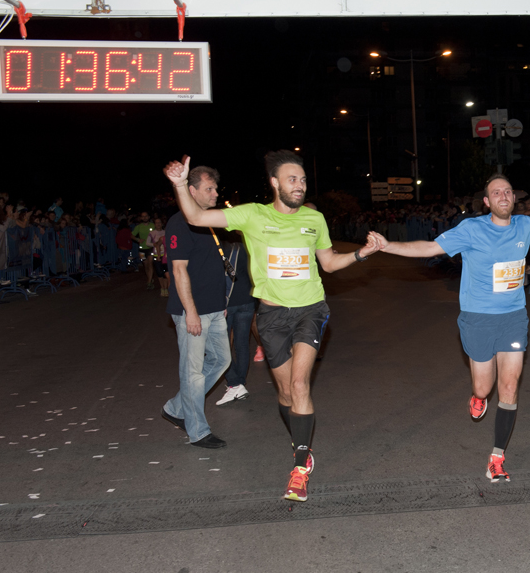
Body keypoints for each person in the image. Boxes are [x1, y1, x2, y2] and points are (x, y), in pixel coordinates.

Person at [163, 150, 383, 502]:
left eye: (303, 180)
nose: (300, 185)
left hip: (310, 310)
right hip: (271, 316)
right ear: (275, 183)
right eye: (292, 179)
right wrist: (178, 185)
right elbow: (195, 215)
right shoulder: (252, 214)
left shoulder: (315, 219)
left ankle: (299, 467)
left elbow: (328, 263)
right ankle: (300, 440)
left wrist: (362, 253)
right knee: (286, 394)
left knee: (299, 383)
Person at [369, 170, 530, 483]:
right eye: (496, 192)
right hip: (478, 318)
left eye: (508, 191)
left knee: (509, 385)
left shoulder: (525, 225)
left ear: (514, 198)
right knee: (483, 387)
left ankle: (497, 457)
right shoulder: (472, 229)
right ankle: (478, 397)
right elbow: (430, 248)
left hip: (513, 316)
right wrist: (387, 246)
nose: (503, 196)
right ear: (487, 202)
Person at [161, 166, 231, 450]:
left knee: (221, 360)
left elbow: (211, 264)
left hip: (215, 308)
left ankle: (176, 407)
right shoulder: (180, 223)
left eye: (216, 188)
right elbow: (178, 270)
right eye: (209, 189)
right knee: (192, 373)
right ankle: (197, 431)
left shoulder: (208, 221)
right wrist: (190, 311)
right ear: (192, 191)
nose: (215, 194)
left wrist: (221, 301)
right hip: (193, 311)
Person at [216, 233, 255, 406]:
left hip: (227, 303)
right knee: (242, 345)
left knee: (220, 346)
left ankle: (234, 382)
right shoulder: (249, 248)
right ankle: (240, 383)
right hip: (247, 300)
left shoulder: (220, 249)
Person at [147, 216, 170, 297]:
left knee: (165, 273)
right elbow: (147, 243)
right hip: (157, 254)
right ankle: (162, 288)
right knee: (159, 272)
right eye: (156, 223)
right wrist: (155, 244)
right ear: (154, 224)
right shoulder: (152, 233)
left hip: (166, 255)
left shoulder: (165, 232)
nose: (158, 224)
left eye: (159, 222)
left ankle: (166, 288)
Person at [132, 212, 156, 289]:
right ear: (141, 218)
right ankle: (150, 278)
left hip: (150, 247)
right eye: (143, 216)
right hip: (142, 249)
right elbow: (131, 235)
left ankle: (149, 282)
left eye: (146, 216)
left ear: (148, 217)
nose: (145, 218)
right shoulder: (138, 227)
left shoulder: (153, 225)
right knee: (145, 264)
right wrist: (138, 239)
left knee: (150, 263)